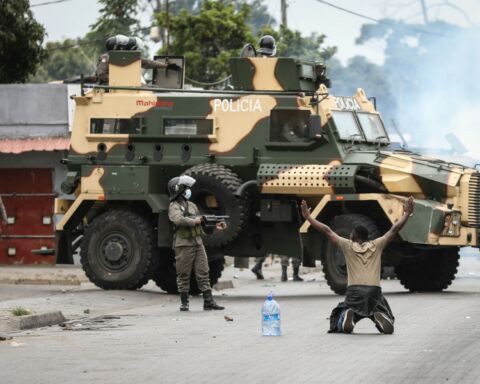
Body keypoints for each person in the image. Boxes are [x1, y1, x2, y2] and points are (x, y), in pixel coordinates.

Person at [301, 196, 414, 334]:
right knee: (381, 309)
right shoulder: (376, 245)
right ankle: (380, 316)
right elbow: (394, 229)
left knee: (340, 313)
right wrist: (407, 213)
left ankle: (348, 316)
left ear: (354, 236)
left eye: (351, 234)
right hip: (374, 291)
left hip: (355, 292)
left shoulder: (348, 246)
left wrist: (308, 218)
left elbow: (327, 230)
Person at [168, 175, 226, 312]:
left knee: (203, 272)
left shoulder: (192, 206)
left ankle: (208, 301)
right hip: (183, 244)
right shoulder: (174, 206)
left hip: (197, 242)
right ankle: (184, 302)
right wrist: (195, 221)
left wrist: (214, 225)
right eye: (186, 188)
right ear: (179, 190)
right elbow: (178, 220)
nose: (189, 191)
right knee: (183, 274)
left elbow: (202, 225)